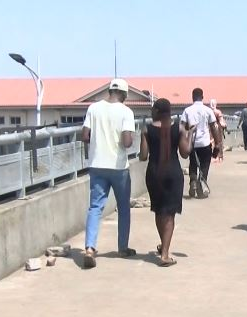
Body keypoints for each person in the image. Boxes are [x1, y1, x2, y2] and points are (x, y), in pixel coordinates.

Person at [81, 78, 137, 268]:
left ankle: (89, 248)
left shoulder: (93, 108)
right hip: (119, 167)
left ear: (110, 91)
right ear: (124, 94)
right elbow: (127, 142)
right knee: (123, 208)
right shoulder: (126, 112)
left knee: (95, 208)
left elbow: (85, 136)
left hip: (96, 164)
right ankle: (122, 247)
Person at [138, 98, 191, 266]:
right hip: (173, 174)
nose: (151, 112)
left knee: (159, 211)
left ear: (158, 111)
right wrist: (190, 135)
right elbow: (185, 153)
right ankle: (165, 254)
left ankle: (164, 246)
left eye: (153, 109)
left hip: (154, 174)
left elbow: (143, 156)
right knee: (170, 214)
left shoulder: (146, 129)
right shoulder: (179, 128)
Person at [180, 87, 221, 199]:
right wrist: (217, 144)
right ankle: (201, 186)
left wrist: (182, 141)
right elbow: (214, 127)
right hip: (205, 143)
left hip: (192, 143)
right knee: (204, 165)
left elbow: (182, 127)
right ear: (202, 97)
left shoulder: (187, 111)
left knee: (193, 164)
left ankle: (193, 181)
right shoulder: (208, 110)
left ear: (192, 97)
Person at [209, 99, 225, 163]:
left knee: (218, 142)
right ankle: (216, 156)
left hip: (214, 127)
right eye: (211, 103)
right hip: (213, 127)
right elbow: (221, 120)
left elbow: (221, 120)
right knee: (216, 142)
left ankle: (219, 156)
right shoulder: (217, 112)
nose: (212, 105)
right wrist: (223, 124)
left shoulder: (213, 112)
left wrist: (222, 123)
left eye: (213, 103)